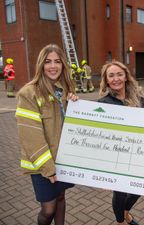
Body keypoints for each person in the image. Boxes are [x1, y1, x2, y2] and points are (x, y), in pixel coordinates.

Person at [15, 44, 78, 225]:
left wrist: (75, 105)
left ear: (63, 65)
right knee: (48, 209)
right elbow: (30, 136)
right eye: (48, 62)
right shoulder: (29, 93)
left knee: (60, 197)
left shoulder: (65, 89)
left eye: (57, 61)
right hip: (43, 164)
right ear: (41, 65)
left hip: (62, 160)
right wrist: (47, 168)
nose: (53, 66)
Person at [98, 60, 144, 225]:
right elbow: (100, 133)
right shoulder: (103, 103)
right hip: (117, 156)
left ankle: (125, 211)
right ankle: (121, 220)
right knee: (120, 192)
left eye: (119, 74)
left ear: (126, 76)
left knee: (140, 187)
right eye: (111, 76)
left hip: (139, 153)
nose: (116, 79)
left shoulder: (139, 97)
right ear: (106, 80)